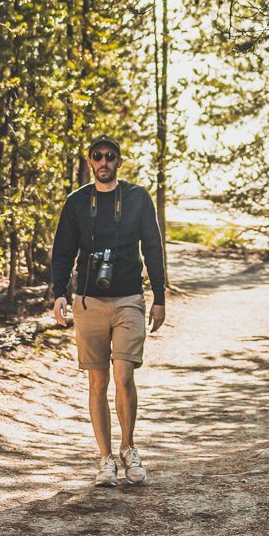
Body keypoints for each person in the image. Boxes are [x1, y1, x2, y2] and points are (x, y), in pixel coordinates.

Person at [51, 135, 166, 488]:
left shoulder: (137, 198)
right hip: (88, 302)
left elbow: (153, 247)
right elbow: (62, 251)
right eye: (98, 157)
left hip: (130, 298)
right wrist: (59, 294)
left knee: (124, 377)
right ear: (90, 162)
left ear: (119, 161)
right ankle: (105, 459)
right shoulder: (76, 203)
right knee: (97, 381)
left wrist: (159, 295)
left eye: (110, 157)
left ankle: (128, 447)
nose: (104, 162)